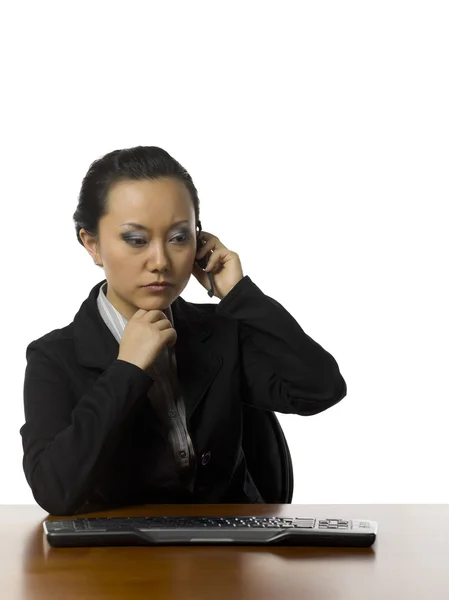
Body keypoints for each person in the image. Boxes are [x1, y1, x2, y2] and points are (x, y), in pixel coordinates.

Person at [20, 145, 347, 516]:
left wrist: (238, 294)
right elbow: (54, 490)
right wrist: (126, 370)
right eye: (136, 239)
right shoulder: (54, 357)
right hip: (118, 562)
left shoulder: (221, 331)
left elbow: (320, 389)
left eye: (178, 238)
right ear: (93, 245)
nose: (160, 261)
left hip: (234, 558)